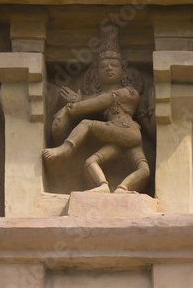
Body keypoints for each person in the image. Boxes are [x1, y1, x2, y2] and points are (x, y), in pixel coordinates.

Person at [43, 24, 150, 193]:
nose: (109, 68)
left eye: (114, 64)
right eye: (103, 65)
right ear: (96, 73)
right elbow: (92, 102)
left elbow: (94, 104)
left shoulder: (129, 92)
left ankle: (66, 148)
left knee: (86, 124)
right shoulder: (101, 96)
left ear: (124, 70)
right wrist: (77, 101)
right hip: (120, 138)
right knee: (93, 163)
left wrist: (76, 105)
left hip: (127, 131)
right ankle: (110, 187)